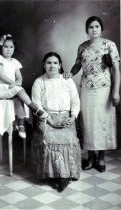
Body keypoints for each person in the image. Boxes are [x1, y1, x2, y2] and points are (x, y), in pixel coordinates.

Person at [64, 16, 120, 172]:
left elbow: (116, 69)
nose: (94, 29)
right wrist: (70, 73)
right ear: (86, 30)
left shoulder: (110, 45)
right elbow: (77, 65)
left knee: (103, 122)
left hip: (104, 88)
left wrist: (116, 92)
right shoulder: (82, 47)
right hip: (87, 88)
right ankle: (90, 157)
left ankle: (101, 158)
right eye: (90, 27)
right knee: (88, 123)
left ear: (101, 28)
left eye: (96, 26)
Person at [31, 52, 81, 192]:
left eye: (55, 63)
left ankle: (64, 177)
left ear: (60, 65)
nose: (52, 65)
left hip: (65, 116)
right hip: (45, 117)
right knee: (50, 139)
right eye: (48, 62)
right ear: (44, 65)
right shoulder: (39, 82)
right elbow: (37, 106)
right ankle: (52, 176)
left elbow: (75, 101)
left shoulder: (67, 80)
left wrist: (73, 117)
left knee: (67, 139)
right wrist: (50, 120)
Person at [0, 34, 48, 138]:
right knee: (19, 91)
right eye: (5, 46)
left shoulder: (15, 62)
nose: (8, 49)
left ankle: (21, 125)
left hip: (11, 89)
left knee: (19, 99)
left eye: (11, 47)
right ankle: (35, 108)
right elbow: (0, 75)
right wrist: (13, 83)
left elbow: (19, 79)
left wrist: (15, 83)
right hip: (0, 89)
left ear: (14, 49)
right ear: (1, 47)